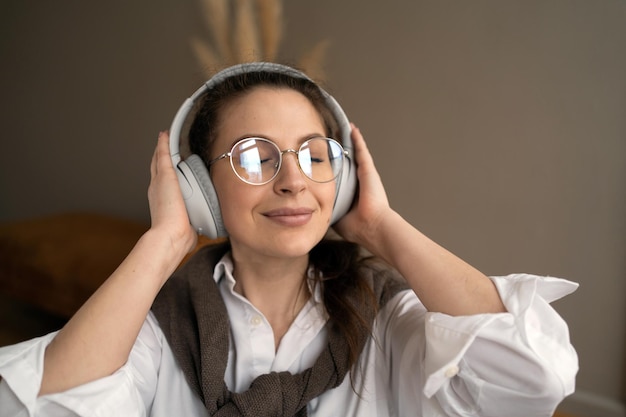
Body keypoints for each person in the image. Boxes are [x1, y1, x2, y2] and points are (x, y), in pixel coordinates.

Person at [0, 62, 578, 417]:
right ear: (200, 185)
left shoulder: (390, 322)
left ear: (345, 178)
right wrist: (161, 244)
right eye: (254, 155)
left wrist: (379, 226)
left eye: (315, 154)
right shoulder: (160, 325)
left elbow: (533, 376)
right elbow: (38, 408)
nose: (294, 179)